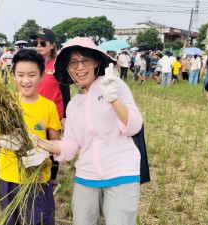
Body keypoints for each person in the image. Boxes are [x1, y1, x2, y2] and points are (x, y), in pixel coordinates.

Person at [37, 37, 143, 224]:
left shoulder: (114, 86)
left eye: (85, 60)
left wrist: (113, 99)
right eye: (73, 62)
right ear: (68, 69)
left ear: (95, 62)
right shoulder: (74, 105)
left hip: (121, 173)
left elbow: (134, 127)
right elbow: (70, 146)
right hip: (86, 176)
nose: (80, 67)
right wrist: (40, 144)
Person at [0, 49, 61, 225]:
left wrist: (43, 150)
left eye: (32, 75)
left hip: (38, 177)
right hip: (9, 176)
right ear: (13, 76)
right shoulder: (5, 105)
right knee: (11, 220)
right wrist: (4, 141)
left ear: (42, 76)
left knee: (39, 220)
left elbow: (56, 142)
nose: (26, 81)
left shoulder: (48, 107)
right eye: (21, 75)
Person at [29, 28, 70, 190]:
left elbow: (65, 91)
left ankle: (52, 181)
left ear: (52, 45)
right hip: (35, 113)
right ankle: (36, 175)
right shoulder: (34, 64)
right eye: (36, 43)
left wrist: (65, 115)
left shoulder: (58, 65)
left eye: (42, 42)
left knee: (52, 147)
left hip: (54, 115)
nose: (38, 46)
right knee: (35, 144)